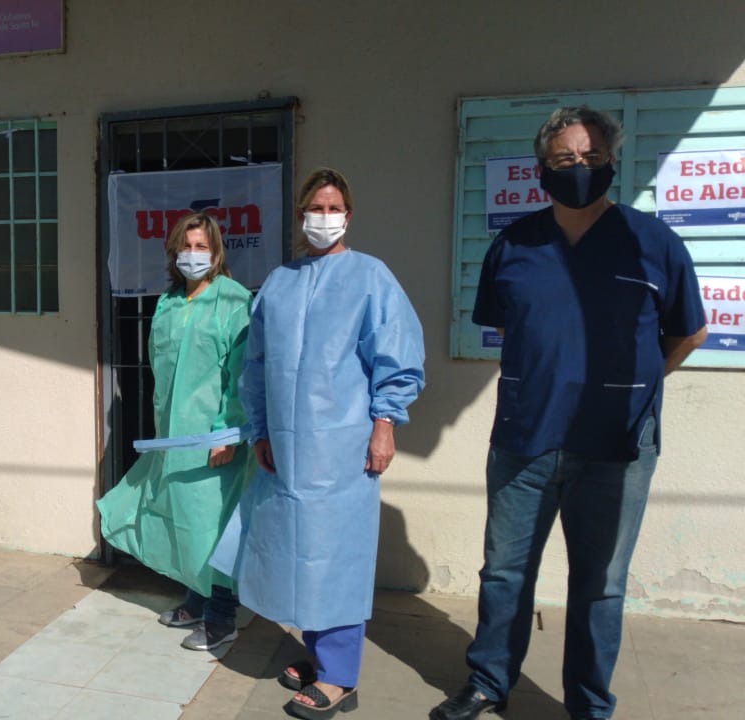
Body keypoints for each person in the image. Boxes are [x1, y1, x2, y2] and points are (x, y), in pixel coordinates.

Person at [430, 107, 707, 720]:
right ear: (542, 168)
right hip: (524, 440)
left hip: (617, 445)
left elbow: (688, 332)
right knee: (504, 573)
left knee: (599, 585)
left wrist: (636, 386)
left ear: (612, 162)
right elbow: (510, 327)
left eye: (591, 157)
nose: (579, 167)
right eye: (565, 159)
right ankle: (488, 681)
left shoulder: (652, 243)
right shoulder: (513, 245)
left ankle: (588, 703)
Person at [210, 168, 425, 719]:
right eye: (315, 208)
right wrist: (259, 428)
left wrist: (385, 424)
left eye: (333, 209)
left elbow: (396, 357)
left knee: (336, 556)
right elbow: (256, 365)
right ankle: (319, 654)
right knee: (298, 553)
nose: (324, 218)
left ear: (348, 216)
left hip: (344, 447)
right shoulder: (280, 282)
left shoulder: (370, 277)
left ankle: (340, 678)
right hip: (286, 448)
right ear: (301, 215)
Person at [97, 211, 253, 652]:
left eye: (202, 246)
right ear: (173, 251)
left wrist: (226, 432)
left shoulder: (234, 300)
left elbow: (241, 375)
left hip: (214, 440)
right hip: (174, 436)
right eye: (186, 246)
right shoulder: (168, 303)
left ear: (216, 252)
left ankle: (222, 616)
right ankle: (196, 601)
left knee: (213, 526)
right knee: (184, 522)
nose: (193, 254)